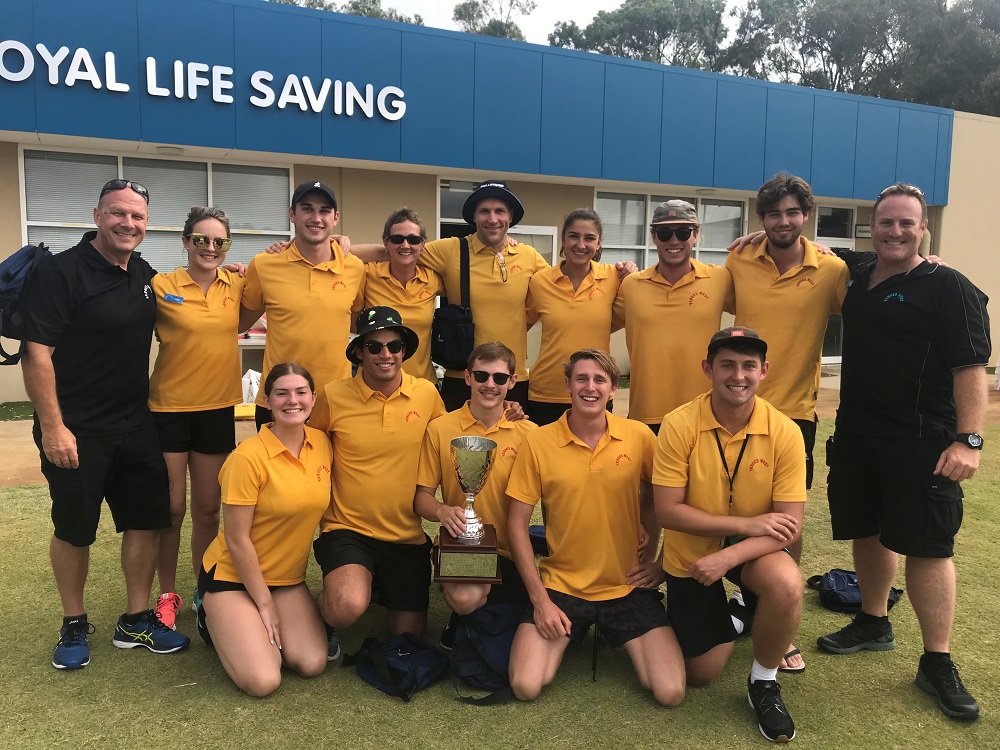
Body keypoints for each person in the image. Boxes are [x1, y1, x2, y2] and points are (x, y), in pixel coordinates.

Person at [817, 183, 990, 722]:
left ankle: (936, 661)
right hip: (858, 434)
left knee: (929, 546)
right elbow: (818, 248)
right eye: (886, 222)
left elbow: (971, 368)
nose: (896, 231)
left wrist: (969, 439)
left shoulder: (949, 285)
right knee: (866, 530)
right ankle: (873, 620)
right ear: (871, 227)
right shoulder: (860, 275)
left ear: (924, 229)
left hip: (923, 439)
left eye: (907, 223)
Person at [21, 178, 190, 670]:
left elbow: (185, 303)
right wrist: (53, 427)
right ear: (97, 215)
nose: (128, 223)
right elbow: (37, 354)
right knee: (75, 529)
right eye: (119, 213)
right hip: (75, 430)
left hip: (135, 425)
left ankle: (136, 618)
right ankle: (74, 621)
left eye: (137, 217)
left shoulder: (141, 272)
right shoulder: (61, 272)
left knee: (147, 521)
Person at [653, 327, 806, 743]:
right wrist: (742, 525)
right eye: (727, 365)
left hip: (751, 550)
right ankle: (742, 614)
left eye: (748, 366)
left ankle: (763, 682)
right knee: (700, 674)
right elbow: (667, 511)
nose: (737, 375)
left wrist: (729, 555)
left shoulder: (785, 431)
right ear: (708, 369)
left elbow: (790, 526)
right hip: (694, 549)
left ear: (764, 371)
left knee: (787, 585)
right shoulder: (678, 423)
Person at [506, 349, 684, 706]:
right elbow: (516, 525)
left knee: (671, 692)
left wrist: (659, 562)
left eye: (600, 379)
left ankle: (602, 630)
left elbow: (668, 502)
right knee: (526, 685)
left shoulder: (639, 436)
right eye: (582, 379)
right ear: (568, 385)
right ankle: (578, 629)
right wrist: (540, 601)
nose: (590, 387)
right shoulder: (538, 442)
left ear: (613, 388)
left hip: (626, 586)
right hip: (562, 587)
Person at [724, 173, 849, 674]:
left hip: (796, 414)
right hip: (735, 409)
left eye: (793, 212)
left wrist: (928, 258)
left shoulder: (832, 269)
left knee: (786, 521)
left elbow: (882, 284)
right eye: (773, 214)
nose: (783, 222)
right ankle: (740, 602)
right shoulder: (738, 259)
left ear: (807, 216)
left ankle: (780, 612)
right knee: (730, 508)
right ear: (761, 219)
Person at [311, 306, 446, 657]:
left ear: (404, 350)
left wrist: (505, 411)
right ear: (359, 351)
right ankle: (320, 612)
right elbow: (305, 445)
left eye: (394, 346)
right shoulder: (332, 395)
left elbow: (452, 436)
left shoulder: (427, 395)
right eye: (374, 347)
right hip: (347, 529)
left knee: (409, 637)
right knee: (347, 606)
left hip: (406, 534)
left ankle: (375, 585)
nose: (386, 355)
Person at [198, 363, 330, 697]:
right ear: (267, 401)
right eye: (281, 393)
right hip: (233, 577)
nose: (292, 401)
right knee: (264, 680)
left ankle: (252, 631)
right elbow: (236, 539)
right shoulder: (248, 457)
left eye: (301, 392)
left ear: (313, 399)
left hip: (285, 579)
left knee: (312, 662)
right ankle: (210, 616)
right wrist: (264, 605)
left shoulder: (323, 444)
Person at [147, 206, 245, 628]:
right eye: (201, 239)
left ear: (227, 246)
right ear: (185, 241)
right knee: (171, 509)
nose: (210, 247)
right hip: (167, 408)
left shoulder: (237, 283)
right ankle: (166, 594)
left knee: (208, 509)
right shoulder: (160, 285)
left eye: (219, 241)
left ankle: (204, 590)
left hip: (217, 408)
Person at [414, 341, 538, 646]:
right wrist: (443, 511)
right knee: (467, 599)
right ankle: (463, 616)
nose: (489, 385)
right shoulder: (440, 429)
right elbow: (421, 498)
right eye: (481, 376)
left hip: (513, 551)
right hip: (464, 546)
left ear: (512, 382)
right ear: (468, 377)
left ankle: (482, 619)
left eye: (499, 378)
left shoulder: (530, 434)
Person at [239, 181, 365, 429]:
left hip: (335, 401)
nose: (316, 218)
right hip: (280, 400)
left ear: (335, 217)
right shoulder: (265, 265)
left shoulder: (355, 268)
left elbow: (355, 322)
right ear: (292, 214)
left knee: (333, 470)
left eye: (324, 210)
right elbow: (240, 321)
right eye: (307, 208)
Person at [612, 200, 732, 433]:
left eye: (683, 232)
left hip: (704, 415)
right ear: (653, 237)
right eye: (665, 233)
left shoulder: (720, 279)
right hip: (646, 415)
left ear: (695, 235)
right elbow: (592, 317)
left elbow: (763, 286)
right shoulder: (631, 285)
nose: (674, 241)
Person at [525, 208, 630, 425]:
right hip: (546, 392)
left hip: (595, 391)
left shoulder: (614, 278)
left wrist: (631, 273)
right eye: (573, 236)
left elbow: (618, 320)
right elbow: (520, 326)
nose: (581, 244)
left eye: (589, 238)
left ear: (598, 243)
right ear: (563, 239)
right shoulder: (539, 281)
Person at [362, 208, 444, 382]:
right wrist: (337, 240)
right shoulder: (368, 274)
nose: (405, 245)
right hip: (376, 383)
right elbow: (333, 253)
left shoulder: (433, 280)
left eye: (413, 240)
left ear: (423, 245)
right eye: (397, 239)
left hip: (422, 384)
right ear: (386, 242)